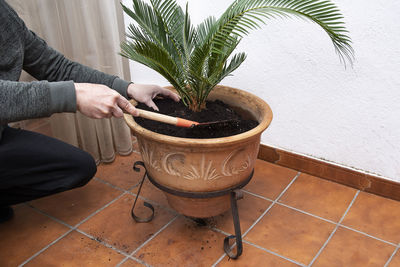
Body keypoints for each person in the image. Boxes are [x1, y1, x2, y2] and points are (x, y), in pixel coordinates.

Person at [0, 0, 180, 223]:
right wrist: (74, 95)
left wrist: (128, 88)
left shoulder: (4, 16)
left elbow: (57, 67)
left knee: (77, 167)